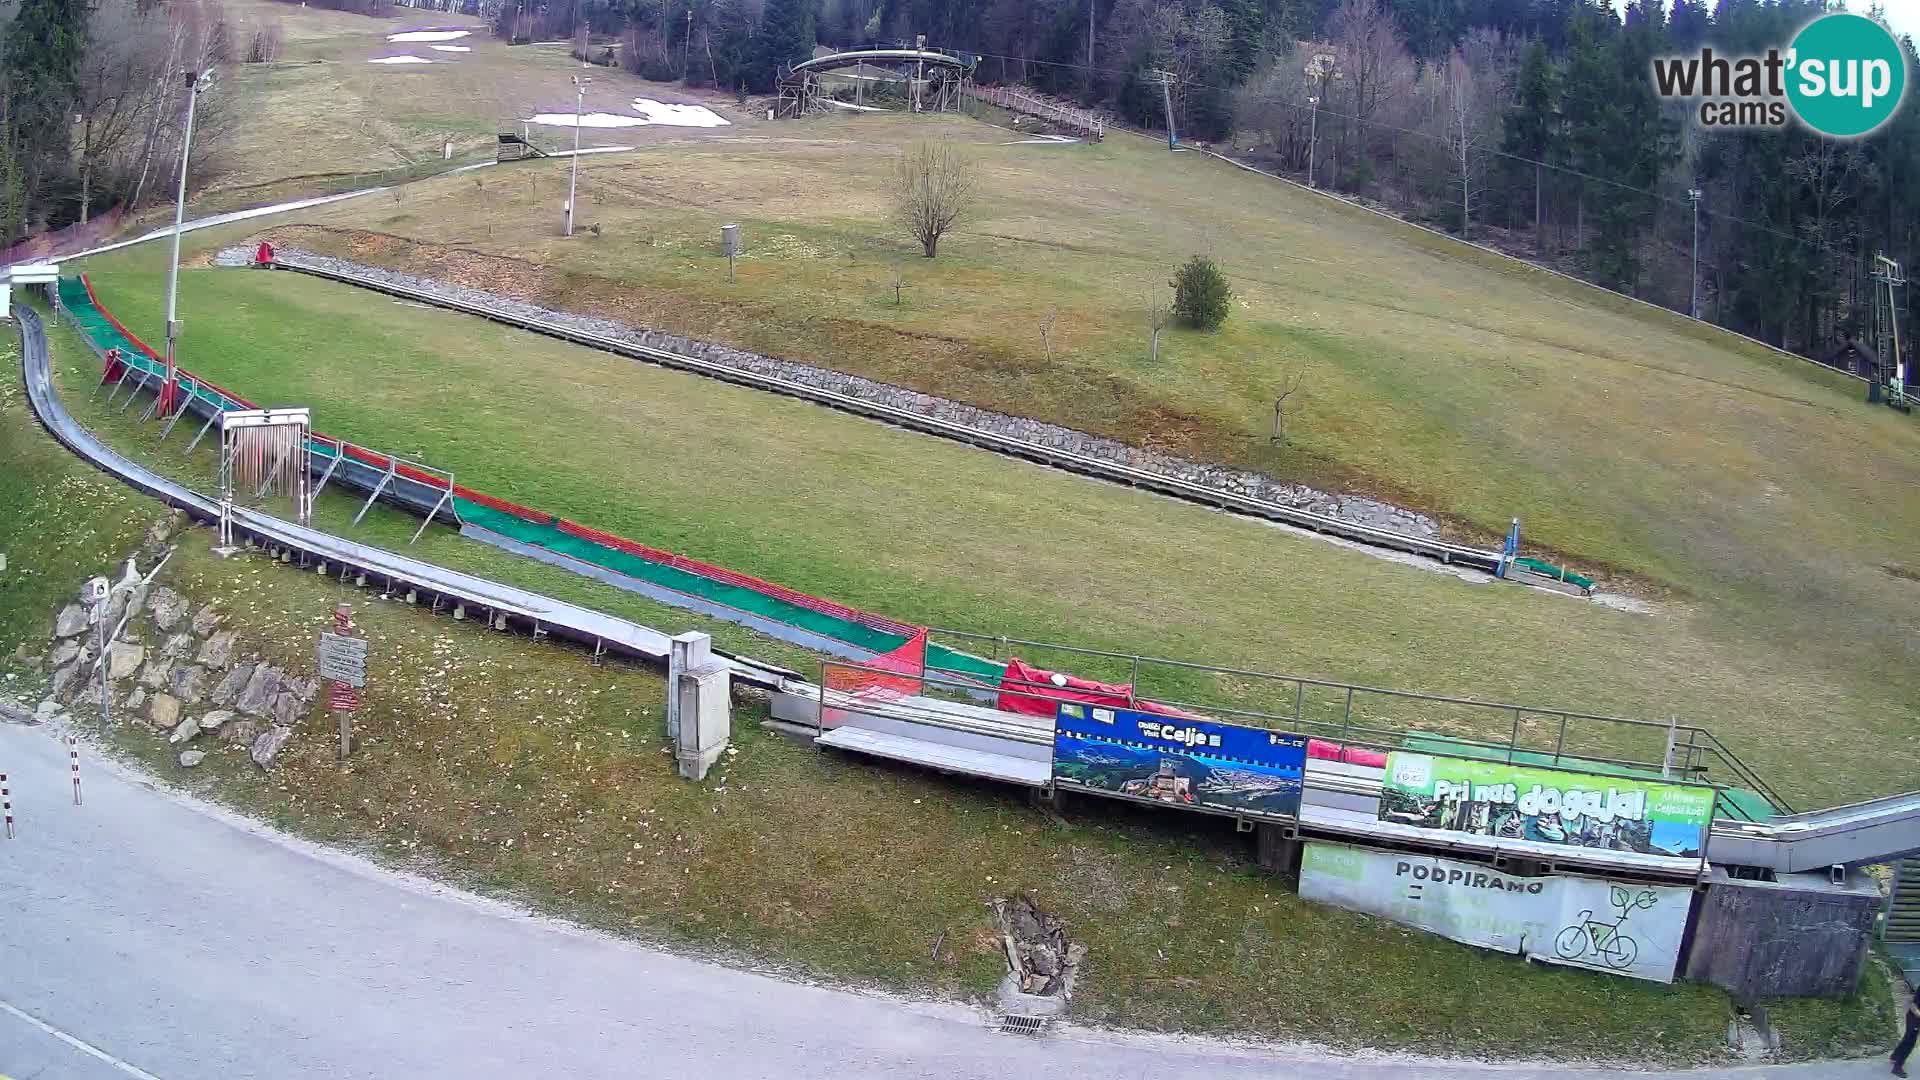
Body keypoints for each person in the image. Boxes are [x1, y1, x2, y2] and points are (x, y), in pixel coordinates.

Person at [1893, 994, 1920, 1077]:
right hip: (1914, 1017)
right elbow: (1913, 1005)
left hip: (1915, 1017)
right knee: (1910, 1043)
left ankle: (1895, 1056)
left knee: (1907, 1038)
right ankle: (1897, 1068)